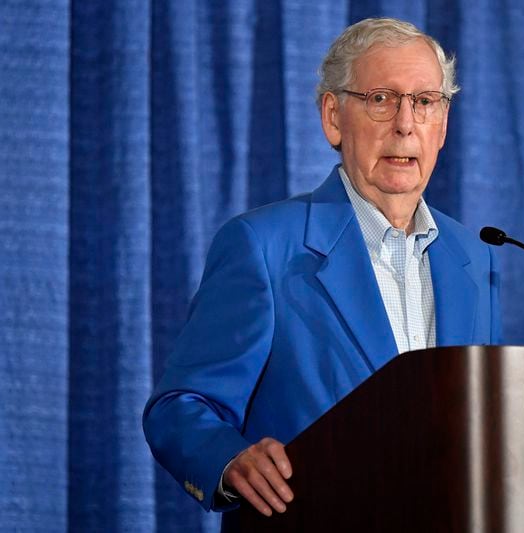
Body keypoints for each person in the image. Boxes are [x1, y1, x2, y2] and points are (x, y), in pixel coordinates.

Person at [142, 17, 502, 525]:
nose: (405, 122)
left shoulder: (476, 256)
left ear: (441, 125)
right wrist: (230, 459)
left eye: (424, 102)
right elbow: (181, 405)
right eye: (381, 99)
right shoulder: (263, 247)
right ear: (333, 117)